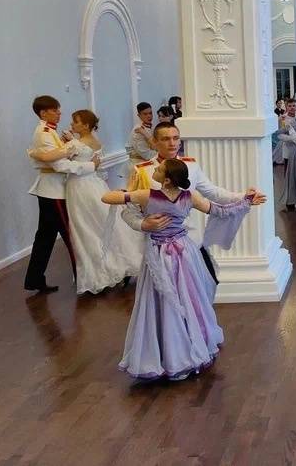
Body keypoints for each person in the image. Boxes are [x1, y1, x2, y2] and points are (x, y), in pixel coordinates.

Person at [104, 159, 264, 380]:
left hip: (159, 253)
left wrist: (128, 192)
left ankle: (166, 351)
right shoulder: (189, 197)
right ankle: (189, 342)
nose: (155, 170)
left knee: (161, 300)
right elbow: (220, 211)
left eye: (159, 170)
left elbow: (107, 198)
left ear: (167, 180)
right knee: (188, 296)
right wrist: (246, 202)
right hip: (183, 252)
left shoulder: (146, 195)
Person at [122, 122, 260, 284]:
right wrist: (142, 224)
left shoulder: (190, 166)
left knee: (205, 286)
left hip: (191, 240)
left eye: (176, 138)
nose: (172, 143)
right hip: (159, 247)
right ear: (154, 142)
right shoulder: (142, 171)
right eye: (165, 139)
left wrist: (243, 197)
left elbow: (213, 192)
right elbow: (128, 210)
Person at [29, 110, 142, 294]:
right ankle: (121, 264)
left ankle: (100, 273)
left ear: (85, 125)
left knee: (85, 229)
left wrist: (36, 153)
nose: (71, 124)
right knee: (101, 225)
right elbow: (90, 159)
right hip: (95, 185)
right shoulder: (94, 141)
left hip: (79, 188)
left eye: (75, 122)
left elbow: (60, 164)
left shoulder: (75, 144)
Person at [24, 96, 100, 293]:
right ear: (43, 113)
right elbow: (59, 165)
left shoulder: (50, 131)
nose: (59, 113)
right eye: (55, 110)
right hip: (54, 191)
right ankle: (86, 280)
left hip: (50, 190)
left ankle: (34, 279)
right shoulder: (44, 133)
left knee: (45, 236)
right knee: (71, 235)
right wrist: (90, 166)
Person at [127, 102, 157, 168]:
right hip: (139, 164)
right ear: (139, 115)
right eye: (145, 114)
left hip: (148, 162)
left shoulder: (151, 127)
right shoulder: (138, 131)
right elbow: (146, 155)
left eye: (150, 113)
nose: (149, 116)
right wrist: (161, 154)